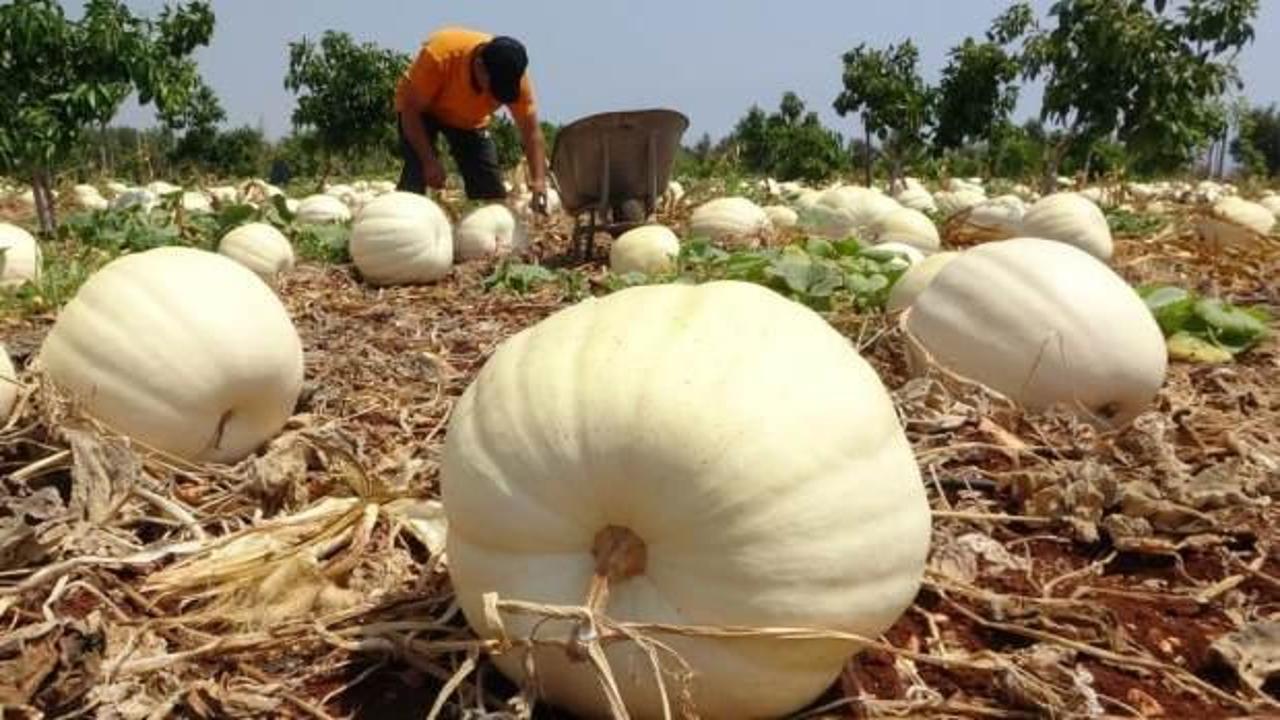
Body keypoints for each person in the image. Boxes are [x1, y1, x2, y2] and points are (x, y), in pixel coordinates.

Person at [394, 27, 548, 214]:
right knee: (416, 174)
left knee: (491, 191)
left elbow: (531, 132)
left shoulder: (513, 76)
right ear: (479, 66)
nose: (496, 100)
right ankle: (402, 224)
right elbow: (411, 112)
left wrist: (539, 181)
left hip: (470, 120)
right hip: (423, 112)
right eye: (495, 91)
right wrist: (429, 161)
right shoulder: (440, 55)